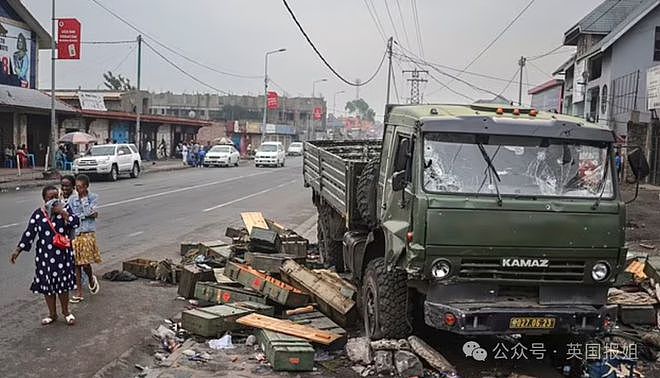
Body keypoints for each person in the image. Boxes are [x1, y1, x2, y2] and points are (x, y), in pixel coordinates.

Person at [10, 185, 79, 325]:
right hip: (44, 257)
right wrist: (18, 250)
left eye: (56, 197)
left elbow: (76, 223)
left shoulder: (65, 210)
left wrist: (64, 213)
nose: (53, 201)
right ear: (44, 199)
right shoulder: (38, 214)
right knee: (47, 286)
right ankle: (52, 314)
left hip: (62, 255)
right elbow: (29, 233)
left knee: (63, 285)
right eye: (50, 198)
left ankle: (66, 312)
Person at [68, 174, 101, 302]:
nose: (78, 190)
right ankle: (79, 292)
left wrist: (84, 200)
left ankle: (91, 278)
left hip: (87, 233)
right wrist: (85, 215)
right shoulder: (72, 199)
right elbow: (73, 216)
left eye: (81, 187)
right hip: (76, 233)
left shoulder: (93, 197)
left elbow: (89, 213)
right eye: (76, 187)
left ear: (86, 187)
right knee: (76, 263)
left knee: (85, 262)